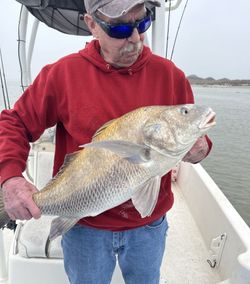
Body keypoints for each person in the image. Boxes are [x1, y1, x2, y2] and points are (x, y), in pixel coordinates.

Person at [0, 0, 212, 283]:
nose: (135, 38)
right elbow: (15, 122)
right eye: (121, 27)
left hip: (148, 228)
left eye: (143, 22)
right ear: (92, 25)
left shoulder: (170, 76)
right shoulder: (62, 74)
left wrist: (200, 148)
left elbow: (191, 134)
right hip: (84, 227)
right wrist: (10, 179)